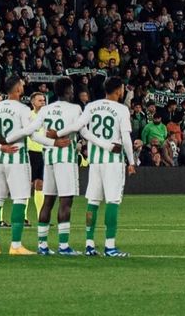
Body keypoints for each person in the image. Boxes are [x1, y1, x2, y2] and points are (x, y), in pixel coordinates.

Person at [53, 76, 136, 257]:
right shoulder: (122, 109)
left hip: (95, 161)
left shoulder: (91, 106)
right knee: (113, 201)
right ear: (119, 90)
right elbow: (126, 137)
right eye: (122, 88)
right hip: (113, 161)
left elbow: (79, 127)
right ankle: (110, 246)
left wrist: (57, 133)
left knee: (93, 202)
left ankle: (89, 244)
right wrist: (131, 161)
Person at [14, 77, 84, 256]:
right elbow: (80, 128)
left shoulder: (46, 109)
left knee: (48, 201)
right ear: (68, 90)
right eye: (71, 89)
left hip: (49, 158)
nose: (73, 92)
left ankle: (43, 245)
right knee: (66, 201)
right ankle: (63, 246)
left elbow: (32, 133)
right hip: (66, 159)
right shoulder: (75, 108)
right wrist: (59, 138)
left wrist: (51, 142)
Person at [0, 76, 38, 255]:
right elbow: (29, 131)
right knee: (20, 199)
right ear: (17, 89)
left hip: (0, 158)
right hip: (17, 157)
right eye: (21, 84)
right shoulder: (23, 109)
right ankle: (15, 246)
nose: (23, 86)